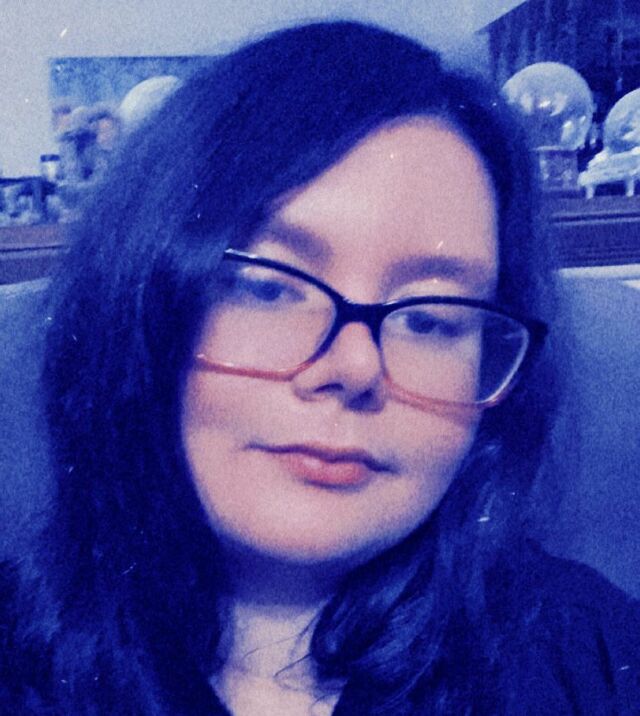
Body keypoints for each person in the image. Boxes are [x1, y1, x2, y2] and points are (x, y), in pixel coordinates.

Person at [0, 20, 638, 716]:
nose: (357, 366)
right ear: (139, 306)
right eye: (269, 288)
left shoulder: (593, 659)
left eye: (430, 319)